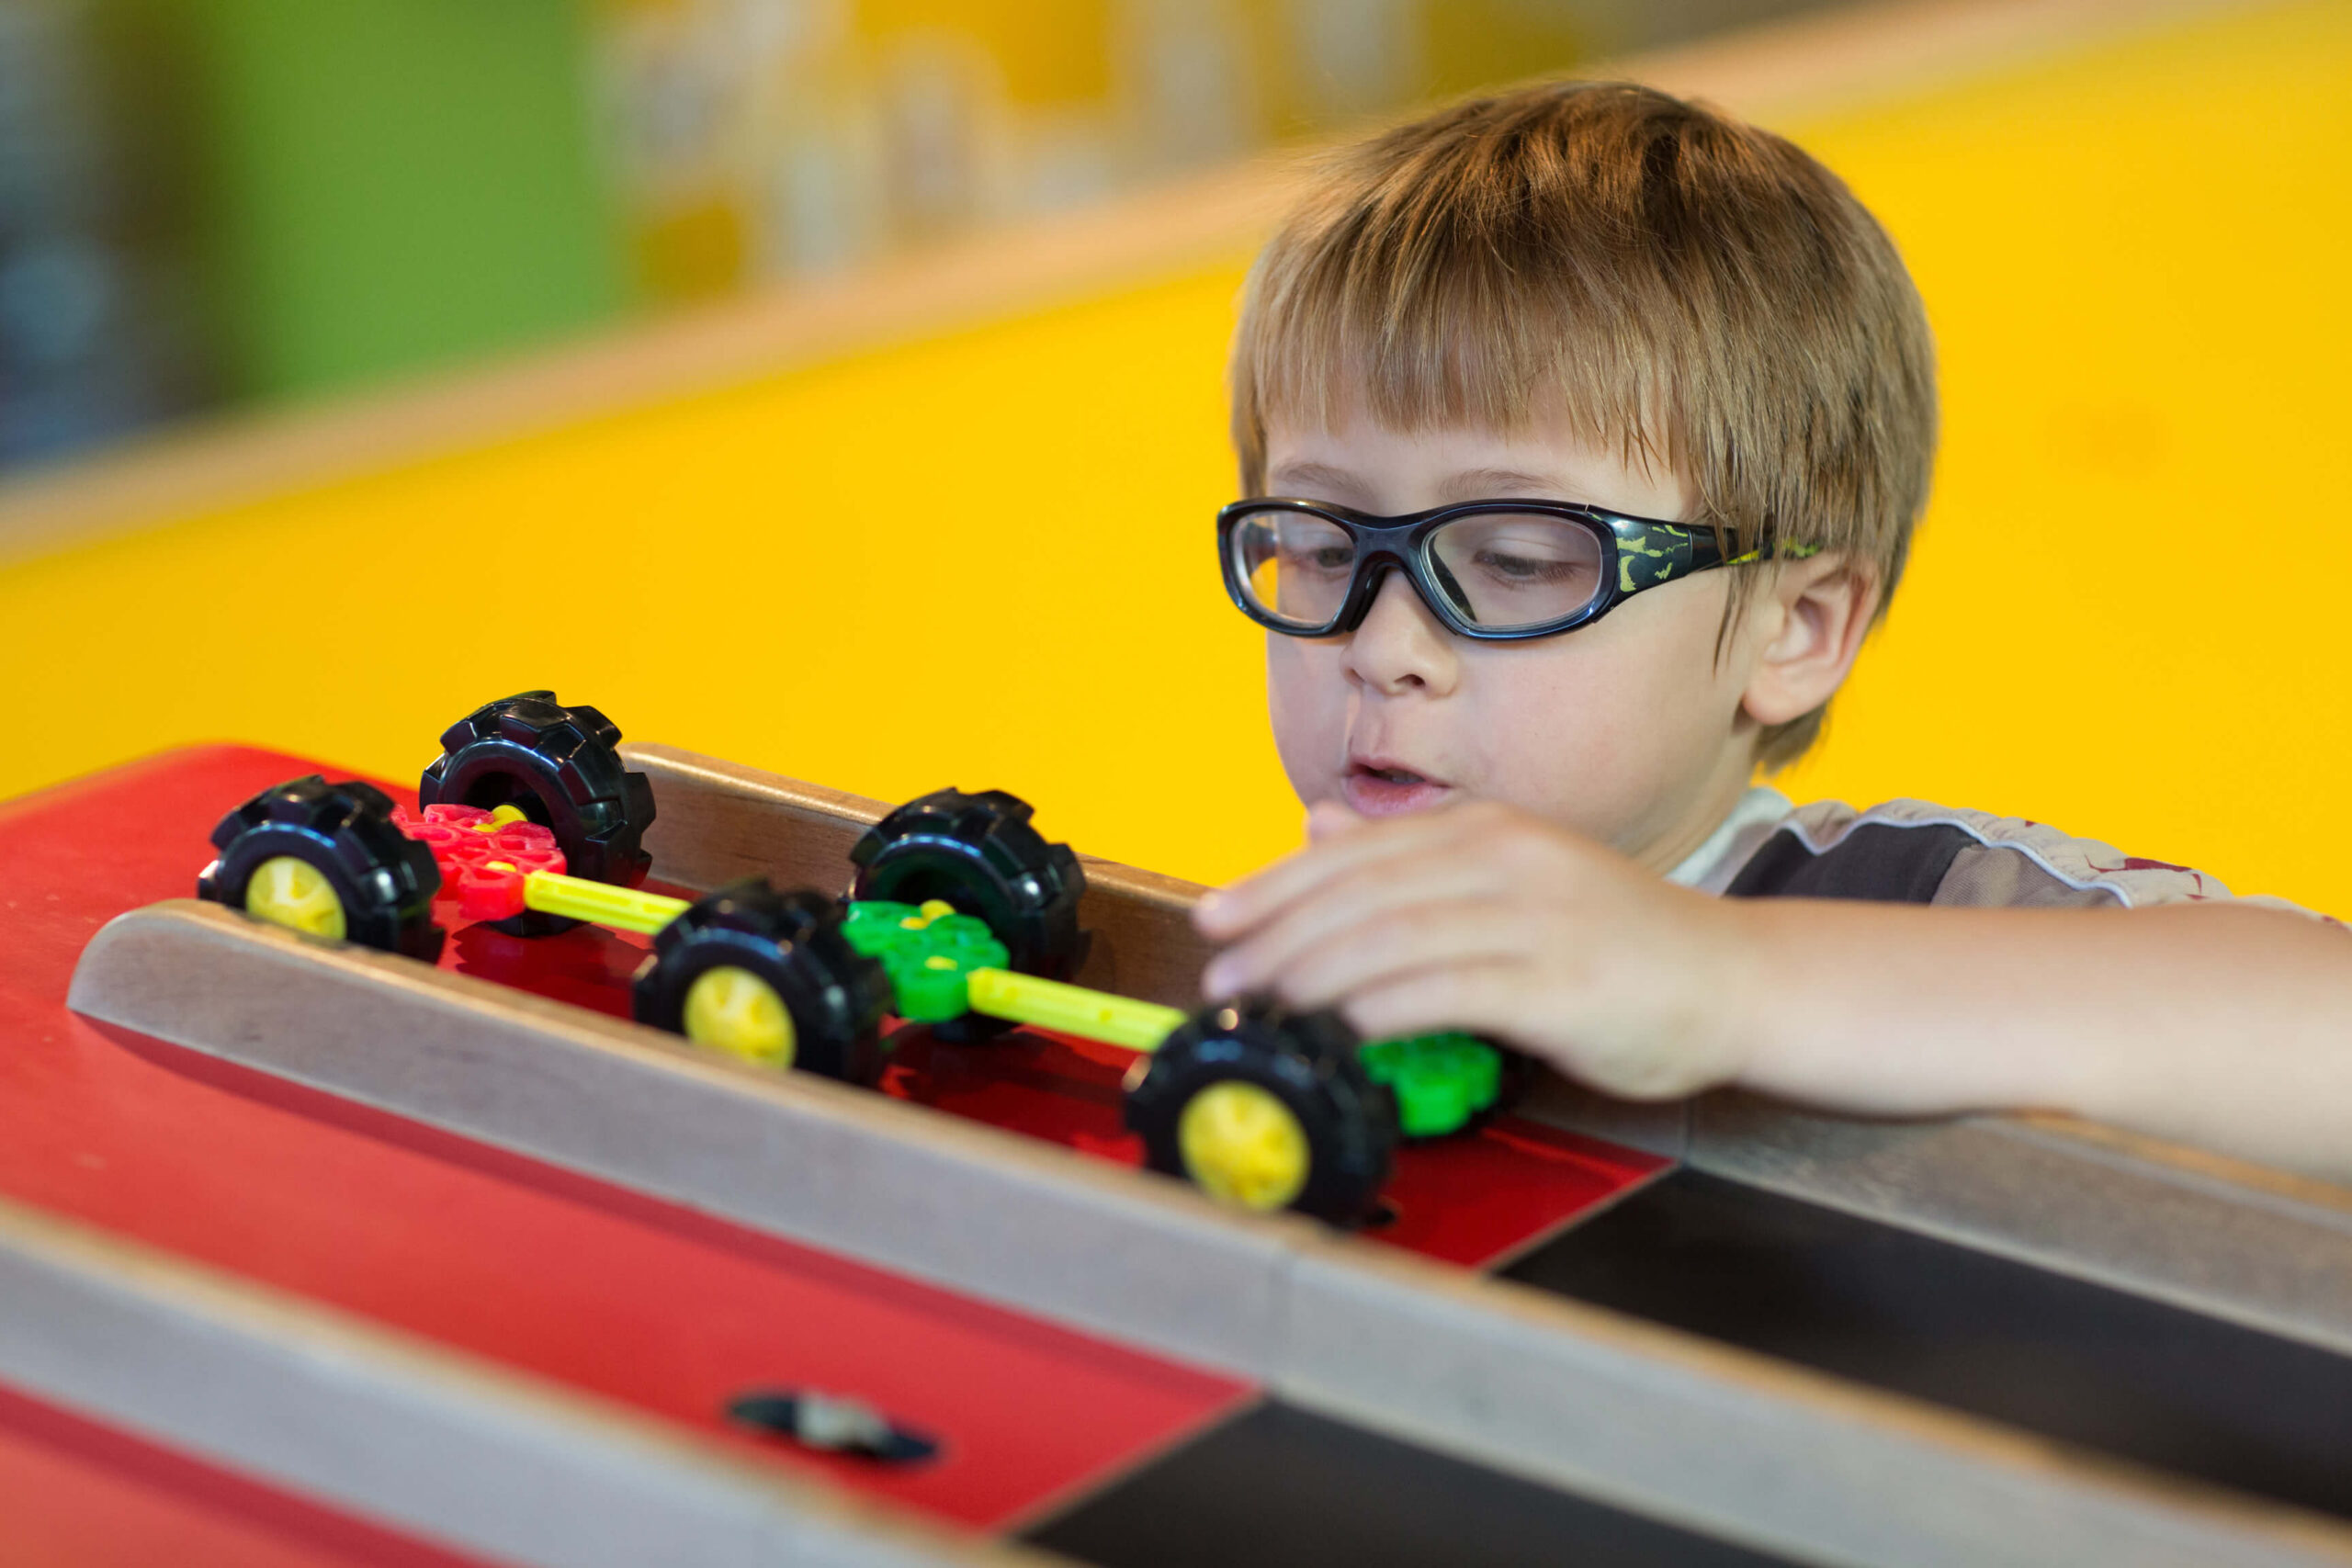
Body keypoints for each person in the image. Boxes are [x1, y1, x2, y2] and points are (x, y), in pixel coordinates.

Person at [1190, 81, 2352, 1180]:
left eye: (1516, 561)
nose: (1384, 644)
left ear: (1793, 627)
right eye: (1328, 546)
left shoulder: (1909, 900)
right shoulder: (1312, 957)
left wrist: (1723, 982)